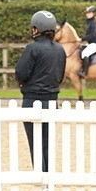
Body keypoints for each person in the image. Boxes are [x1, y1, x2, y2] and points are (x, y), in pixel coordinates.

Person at [15, 10, 67, 175]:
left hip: (32, 100)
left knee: (35, 143)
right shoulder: (60, 50)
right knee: (47, 142)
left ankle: (40, 178)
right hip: (52, 101)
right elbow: (60, 76)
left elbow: (20, 73)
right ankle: (49, 177)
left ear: (37, 29)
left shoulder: (32, 48)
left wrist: (24, 83)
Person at [79, 5, 96, 78]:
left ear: (94, 14)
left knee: (84, 53)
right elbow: (88, 34)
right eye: (87, 13)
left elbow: (92, 35)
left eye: (89, 13)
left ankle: (84, 72)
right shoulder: (90, 22)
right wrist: (81, 37)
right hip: (91, 43)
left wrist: (82, 39)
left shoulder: (93, 23)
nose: (88, 14)